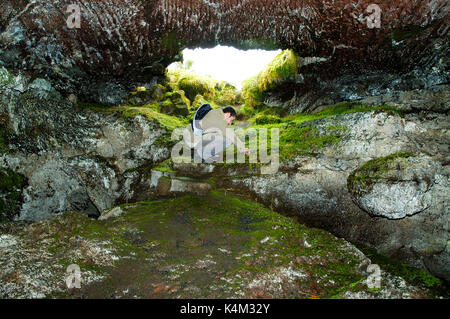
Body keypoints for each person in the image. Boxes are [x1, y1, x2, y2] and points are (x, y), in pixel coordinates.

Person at [182, 106, 250, 163]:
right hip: (191, 139)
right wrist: (242, 148)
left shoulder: (215, 114)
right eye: (231, 120)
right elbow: (229, 133)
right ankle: (202, 155)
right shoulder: (218, 118)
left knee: (220, 136)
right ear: (228, 114)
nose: (230, 123)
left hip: (191, 136)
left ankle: (204, 154)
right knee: (227, 140)